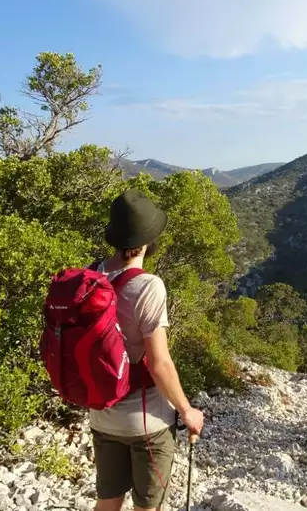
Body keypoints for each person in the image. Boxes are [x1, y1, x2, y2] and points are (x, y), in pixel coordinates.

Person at [89, 189, 204, 511]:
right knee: (147, 506)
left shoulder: (89, 275)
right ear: (150, 240)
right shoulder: (148, 285)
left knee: (107, 501)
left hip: (101, 415)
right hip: (146, 424)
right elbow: (159, 362)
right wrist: (187, 411)